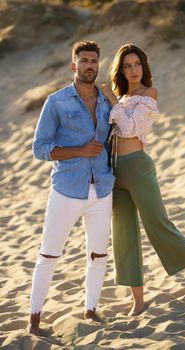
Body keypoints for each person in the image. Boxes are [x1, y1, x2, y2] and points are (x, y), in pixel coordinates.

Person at [100, 43, 185, 317]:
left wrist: (111, 99)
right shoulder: (121, 97)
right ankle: (138, 300)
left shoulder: (149, 94)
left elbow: (131, 128)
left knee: (158, 224)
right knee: (123, 233)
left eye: (137, 64)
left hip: (138, 167)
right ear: (121, 70)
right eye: (127, 66)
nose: (133, 70)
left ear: (143, 67)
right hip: (115, 170)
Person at [27, 40, 115, 335]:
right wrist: (79, 150)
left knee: (99, 254)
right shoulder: (57, 101)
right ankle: (34, 317)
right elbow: (39, 148)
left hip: (101, 188)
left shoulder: (106, 101)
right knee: (49, 254)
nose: (90, 65)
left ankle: (91, 310)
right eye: (84, 60)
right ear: (73, 66)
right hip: (67, 189)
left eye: (94, 61)